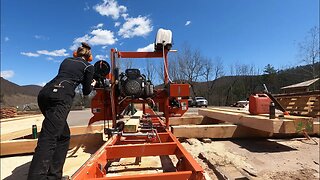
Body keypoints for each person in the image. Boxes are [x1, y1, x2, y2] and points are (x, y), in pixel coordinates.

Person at [27, 42, 96, 180]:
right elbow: (86, 91)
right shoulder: (89, 67)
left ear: (76, 54)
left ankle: (54, 176)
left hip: (44, 94)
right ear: (89, 58)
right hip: (61, 97)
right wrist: (93, 83)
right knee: (49, 137)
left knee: (63, 136)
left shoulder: (66, 60)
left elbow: (66, 75)